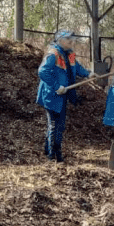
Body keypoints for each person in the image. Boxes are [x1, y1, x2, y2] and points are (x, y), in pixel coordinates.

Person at [36, 30, 94, 162]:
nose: (71, 41)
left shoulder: (70, 54)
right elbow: (42, 71)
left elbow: (77, 67)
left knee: (58, 124)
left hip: (63, 94)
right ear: (60, 41)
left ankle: (48, 150)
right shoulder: (53, 54)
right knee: (55, 124)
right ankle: (54, 156)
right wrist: (57, 86)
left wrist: (88, 74)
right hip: (52, 94)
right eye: (68, 39)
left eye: (72, 39)